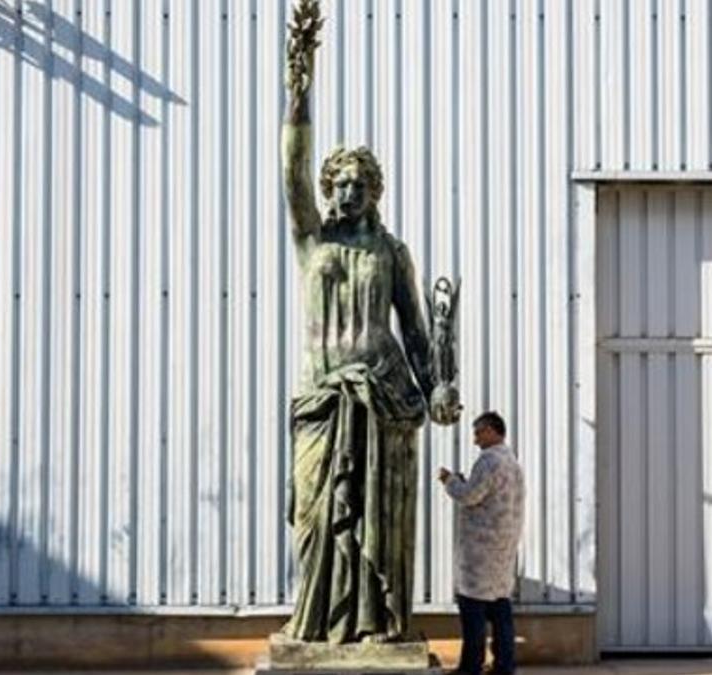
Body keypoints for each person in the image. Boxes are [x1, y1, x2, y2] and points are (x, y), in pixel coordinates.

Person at [281, 0, 460, 644]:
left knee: (378, 528)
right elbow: (291, 172)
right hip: (324, 402)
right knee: (315, 516)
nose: (345, 193)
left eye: (358, 184)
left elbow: (415, 329)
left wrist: (438, 383)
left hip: (385, 399)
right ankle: (319, 629)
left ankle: (379, 624)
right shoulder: (312, 243)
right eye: (338, 184)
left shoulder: (390, 251)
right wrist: (297, 96)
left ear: (374, 192)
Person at [437, 412, 525, 675]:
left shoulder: (488, 461)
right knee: (500, 610)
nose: (475, 440)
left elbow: (470, 495)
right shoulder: (512, 462)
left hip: (480, 550)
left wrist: (450, 481)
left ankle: (470, 667)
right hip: (504, 547)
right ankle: (504, 666)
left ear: (491, 430)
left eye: (478, 433)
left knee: (472, 609)